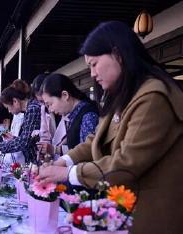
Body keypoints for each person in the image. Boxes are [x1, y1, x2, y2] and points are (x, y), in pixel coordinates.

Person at [37, 21, 183, 233]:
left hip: (152, 214)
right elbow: (94, 140)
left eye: (94, 64)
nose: (93, 74)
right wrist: (63, 161)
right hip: (126, 209)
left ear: (118, 54)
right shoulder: (124, 95)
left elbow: (126, 164)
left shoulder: (153, 97)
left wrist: (67, 173)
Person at [38, 73, 99, 157]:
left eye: (50, 104)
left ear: (65, 95)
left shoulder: (88, 115)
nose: (50, 110)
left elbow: (88, 153)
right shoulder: (73, 115)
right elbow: (74, 147)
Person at [0, 79, 41, 163]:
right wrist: (13, 138)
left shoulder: (32, 109)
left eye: (8, 107)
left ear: (15, 101)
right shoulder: (29, 110)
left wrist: (0, 146)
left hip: (37, 160)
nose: (9, 111)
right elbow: (28, 139)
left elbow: (25, 142)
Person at [30, 74, 57, 157]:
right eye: (41, 102)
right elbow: (44, 134)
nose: (45, 105)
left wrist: (55, 149)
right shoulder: (43, 109)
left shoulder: (63, 110)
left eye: (46, 102)